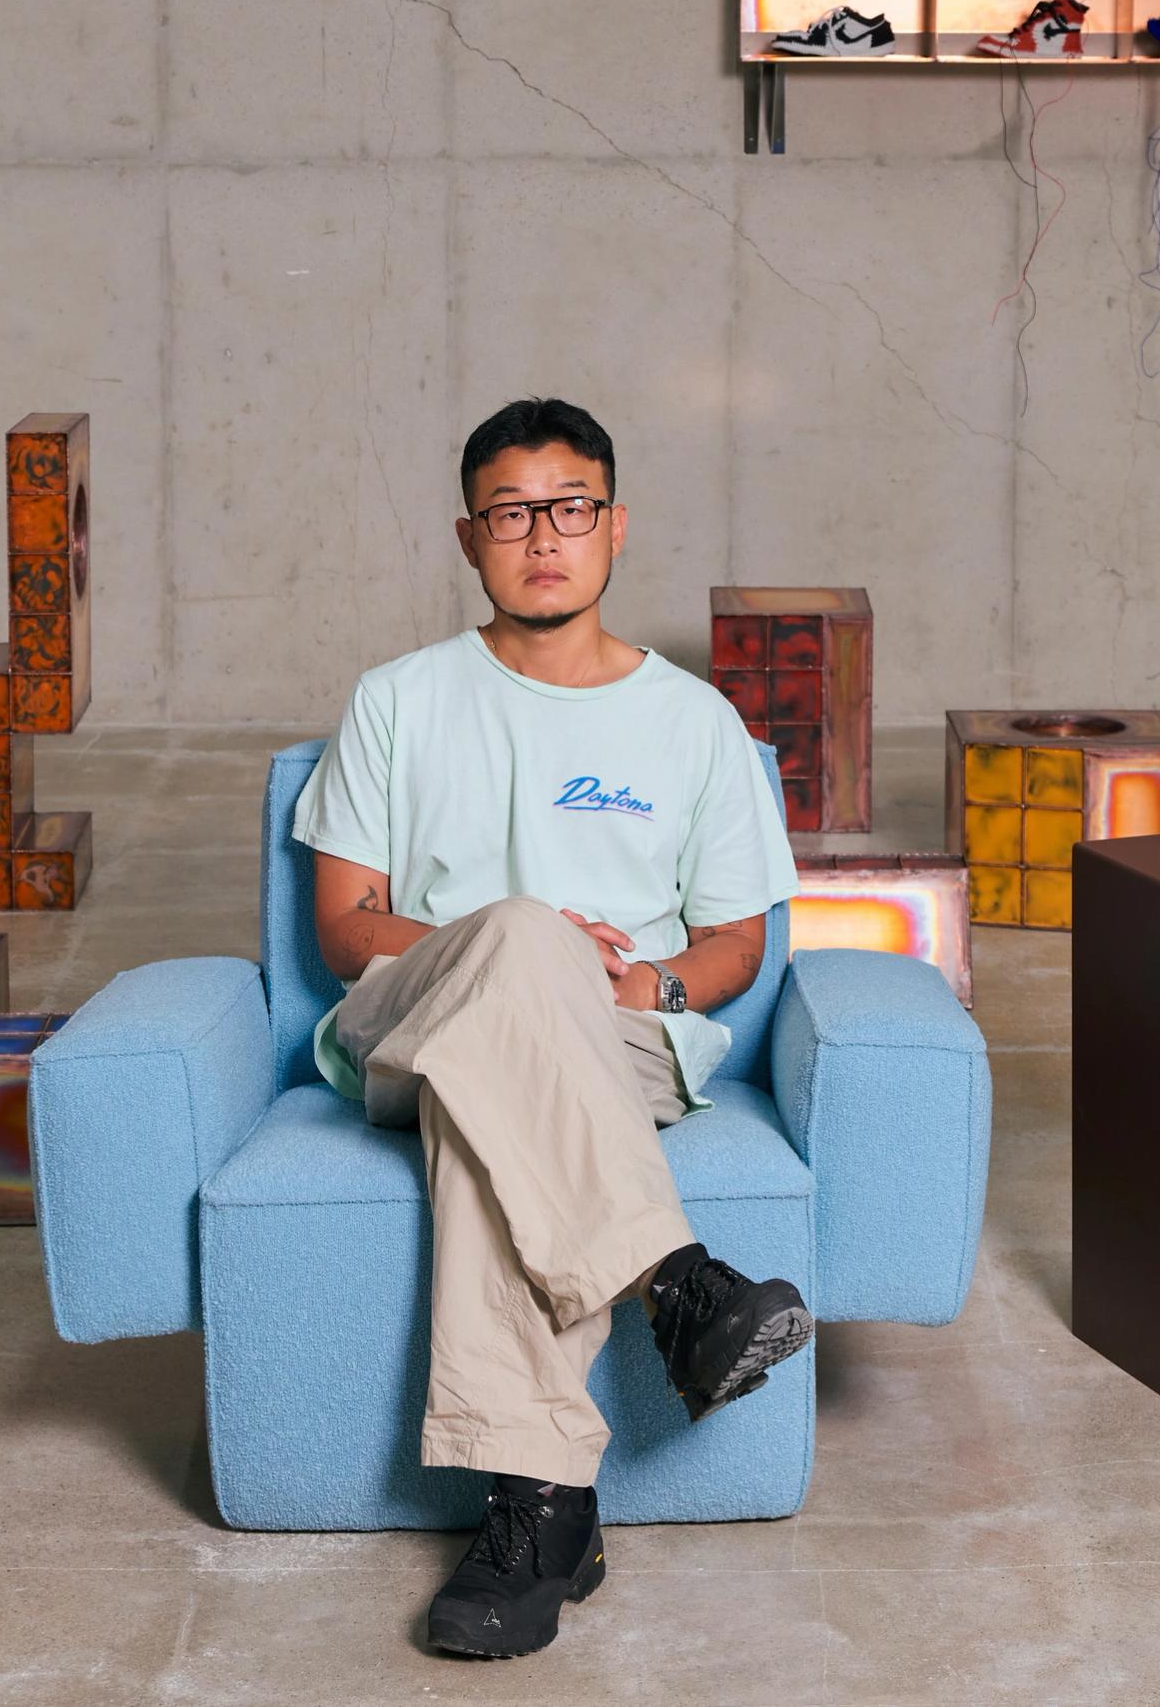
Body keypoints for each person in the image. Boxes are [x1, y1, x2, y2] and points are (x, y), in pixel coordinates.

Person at [291, 396, 810, 1659]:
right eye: (510, 513)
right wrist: (514, 947)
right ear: (468, 538)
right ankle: (674, 1282)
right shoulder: (397, 700)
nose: (542, 537)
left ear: (614, 526)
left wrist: (647, 987)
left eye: (568, 508)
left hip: (609, 1048)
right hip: (412, 1021)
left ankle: (539, 1516)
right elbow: (346, 928)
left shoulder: (694, 725)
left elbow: (734, 944)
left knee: (490, 1113)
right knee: (521, 942)